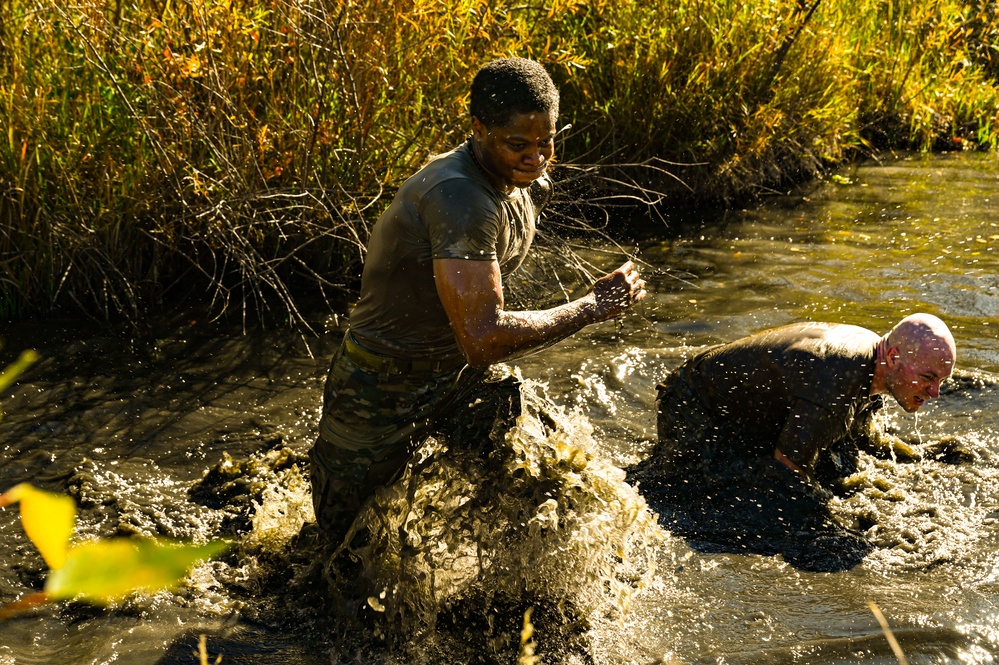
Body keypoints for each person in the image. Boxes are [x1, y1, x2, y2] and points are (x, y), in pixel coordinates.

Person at [309, 57, 647, 546]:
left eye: (546, 142)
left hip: (457, 381)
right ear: (478, 130)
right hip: (379, 389)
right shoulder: (459, 197)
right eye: (518, 145)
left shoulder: (525, 182)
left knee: (551, 481)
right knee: (339, 550)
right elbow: (483, 338)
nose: (537, 157)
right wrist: (591, 307)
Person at [634, 313, 957, 490]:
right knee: (701, 487)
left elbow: (862, 433)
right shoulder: (836, 384)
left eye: (942, 381)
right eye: (929, 378)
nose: (935, 393)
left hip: (740, 395)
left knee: (841, 455)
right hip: (693, 404)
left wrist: (923, 456)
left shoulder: (875, 359)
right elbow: (786, 476)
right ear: (894, 356)